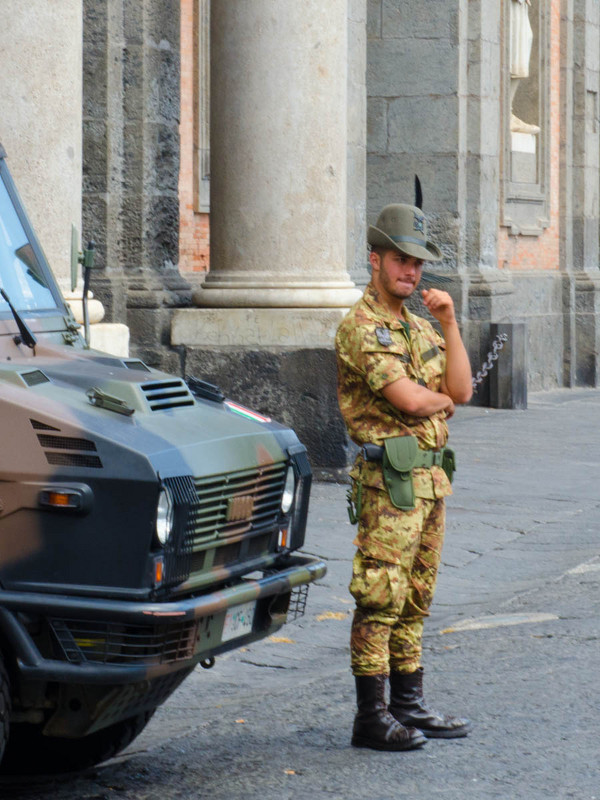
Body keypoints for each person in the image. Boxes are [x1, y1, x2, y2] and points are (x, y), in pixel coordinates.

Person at [335, 202, 473, 751]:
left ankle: (408, 705)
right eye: (399, 259)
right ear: (375, 260)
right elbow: (412, 401)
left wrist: (449, 322)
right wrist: (439, 402)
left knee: (416, 595)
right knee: (380, 596)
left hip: (429, 483)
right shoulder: (361, 327)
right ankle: (371, 717)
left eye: (417, 262)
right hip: (387, 486)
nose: (410, 272)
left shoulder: (420, 326)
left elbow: (459, 391)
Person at [510, 0, 539, 133]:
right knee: (514, 52)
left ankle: (508, 110)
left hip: (520, 5)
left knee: (524, 41)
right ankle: (506, 112)